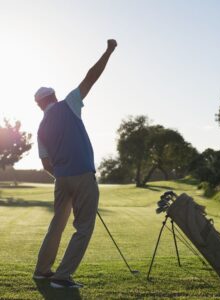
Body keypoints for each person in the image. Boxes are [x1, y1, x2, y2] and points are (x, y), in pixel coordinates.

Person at [33, 39, 117, 288]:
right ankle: (62, 276)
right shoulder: (68, 104)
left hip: (61, 179)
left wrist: (62, 175)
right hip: (82, 175)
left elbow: (46, 163)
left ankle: (42, 270)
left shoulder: (40, 129)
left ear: (39, 105)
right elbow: (91, 77)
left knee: (56, 225)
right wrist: (108, 51)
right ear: (54, 96)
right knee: (83, 228)